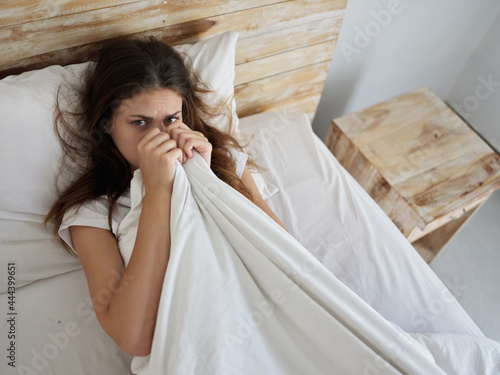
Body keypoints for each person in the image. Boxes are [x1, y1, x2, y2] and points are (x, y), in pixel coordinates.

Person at [45, 36, 285, 357]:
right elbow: (134, 339)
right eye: (140, 122)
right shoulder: (92, 211)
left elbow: (285, 257)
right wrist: (158, 192)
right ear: (106, 124)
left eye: (171, 119)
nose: (159, 136)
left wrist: (206, 179)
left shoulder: (221, 160)